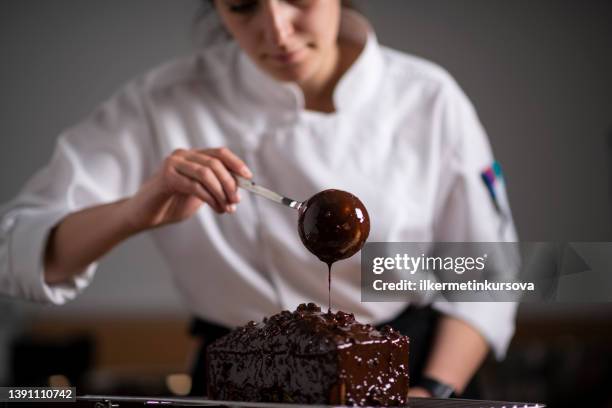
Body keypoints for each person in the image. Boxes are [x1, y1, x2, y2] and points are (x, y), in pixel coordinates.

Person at [0, 0, 518, 399]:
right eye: (243, 6)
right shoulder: (164, 102)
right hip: (238, 377)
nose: (276, 31)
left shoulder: (426, 97)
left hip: (404, 377)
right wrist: (135, 211)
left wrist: (434, 391)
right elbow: (14, 246)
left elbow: (487, 277)